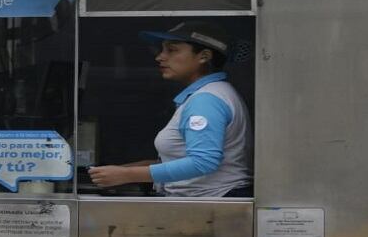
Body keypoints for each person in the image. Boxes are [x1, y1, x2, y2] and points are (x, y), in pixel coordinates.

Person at [88, 21, 252, 197]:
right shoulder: (210, 94)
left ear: (204, 56)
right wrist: (119, 171)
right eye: (162, 49)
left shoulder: (205, 101)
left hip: (211, 206)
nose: (160, 57)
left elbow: (202, 162)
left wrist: (126, 175)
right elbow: (180, 160)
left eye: (172, 50)